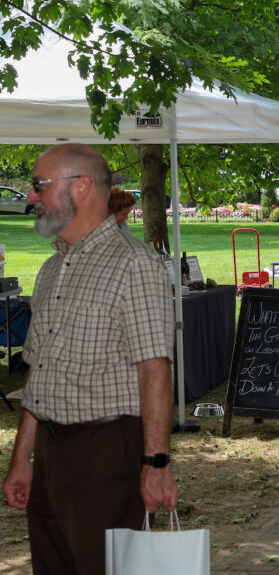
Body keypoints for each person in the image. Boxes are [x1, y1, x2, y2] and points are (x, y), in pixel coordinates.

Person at [2, 144, 177, 573]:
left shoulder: (135, 265)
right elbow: (39, 373)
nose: (30, 197)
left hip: (106, 453)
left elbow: (154, 368)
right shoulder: (51, 270)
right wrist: (22, 460)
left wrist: (156, 463)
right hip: (50, 451)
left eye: (39, 185)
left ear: (81, 188)